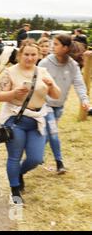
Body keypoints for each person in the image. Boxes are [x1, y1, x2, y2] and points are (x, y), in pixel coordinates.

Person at [0, 39, 60, 204]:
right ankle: (15, 192)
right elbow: (0, 96)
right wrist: (14, 94)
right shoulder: (9, 72)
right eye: (26, 54)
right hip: (15, 120)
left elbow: (56, 95)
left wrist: (52, 86)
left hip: (37, 120)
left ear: (38, 55)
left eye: (33, 55)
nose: (30, 58)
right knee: (14, 157)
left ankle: (18, 174)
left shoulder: (43, 72)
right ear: (20, 55)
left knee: (36, 158)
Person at [38, 34, 90, 174]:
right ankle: (59, 163)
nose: (51, 47)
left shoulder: (72, 65)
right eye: (52, 44)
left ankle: (36, 155)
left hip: (59, 106)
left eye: (55, 44)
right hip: (45, 104)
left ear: (65, 48)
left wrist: (84, 100)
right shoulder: (45, 63)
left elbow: (79, 84)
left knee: (48, 134)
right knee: (53, 132)